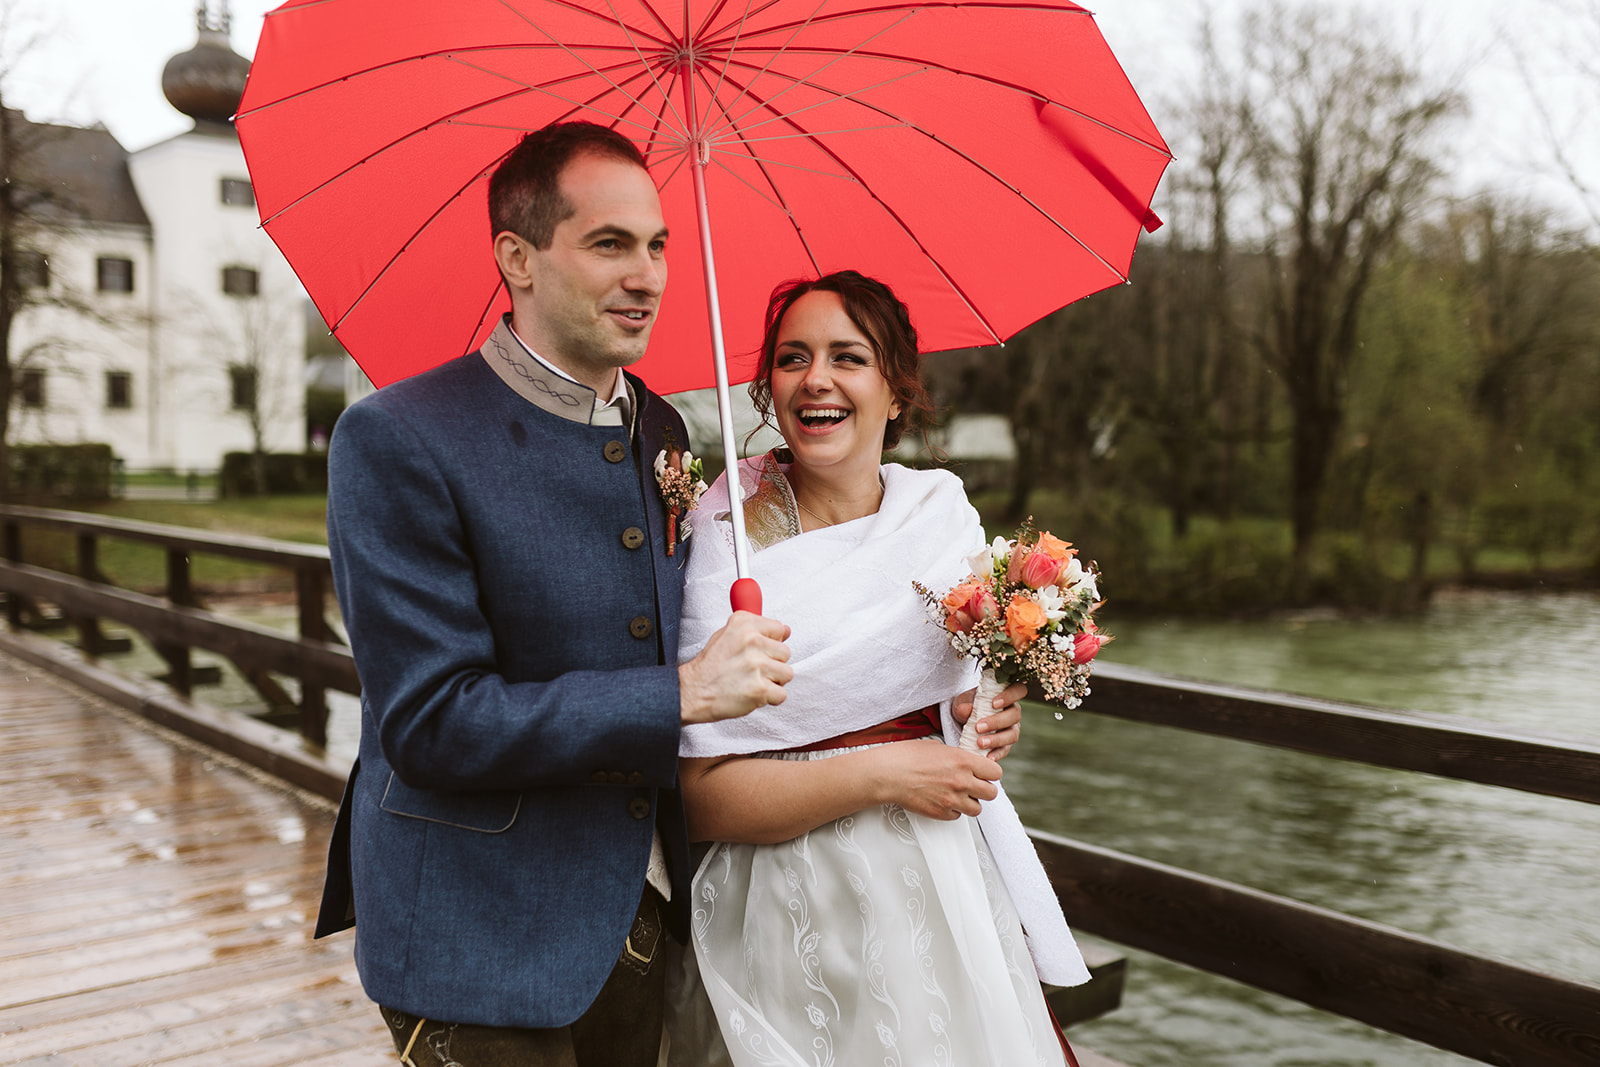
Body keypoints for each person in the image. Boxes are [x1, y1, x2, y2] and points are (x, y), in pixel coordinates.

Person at [312, 121, 795, 1067]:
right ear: (518, 257)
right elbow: (433, 721)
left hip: (644, 912)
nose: (646, 276)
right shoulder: (397, 438)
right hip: (474, 933)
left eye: (658, 245)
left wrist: (948, 702)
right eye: (610, 244)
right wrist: (683, 692)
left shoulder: (664, 430)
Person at [666, 270, 1092, 1067]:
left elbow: (942, 697)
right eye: (792, 357)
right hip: (785, 907)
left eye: (847, 357)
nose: (815, 379)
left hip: (937, 887)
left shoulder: (941, 514)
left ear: (896, 391)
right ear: (767, 387)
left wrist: (983, 712)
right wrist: (886, 771)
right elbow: (698, 799)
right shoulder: (725, 533)